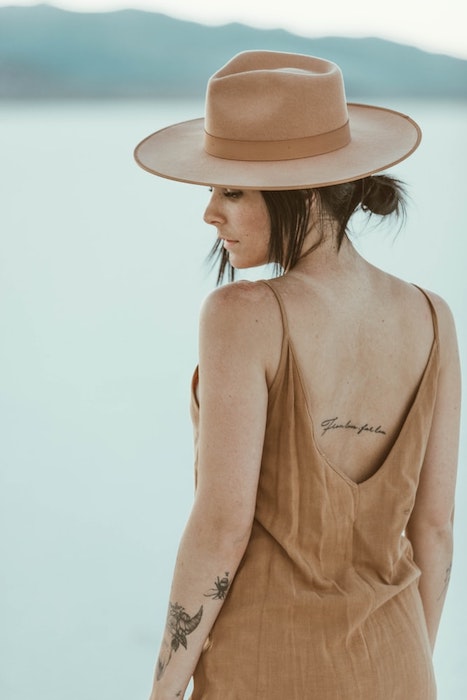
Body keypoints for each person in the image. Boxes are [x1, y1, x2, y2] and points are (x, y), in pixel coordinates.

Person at [134, 50, 460, 699]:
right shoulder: (432, 316)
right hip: (398, 665)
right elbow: (434, 530)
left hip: (266, 665)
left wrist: (165, 686)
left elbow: (222, 526)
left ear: (303, 191)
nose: (209, 213)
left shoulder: (243, 313)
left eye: (231, 190)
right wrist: (400, 665)